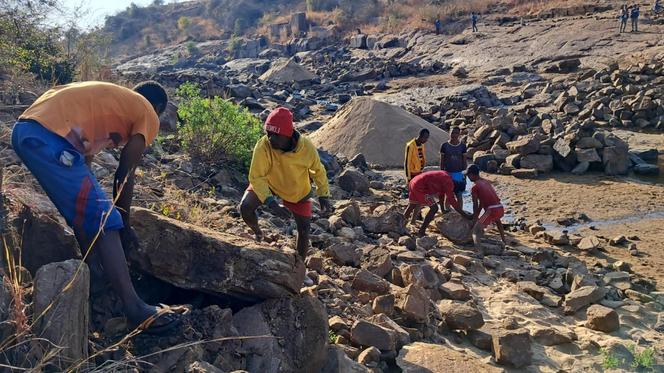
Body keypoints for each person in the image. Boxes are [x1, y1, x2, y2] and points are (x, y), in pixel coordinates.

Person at [11, 81, 179, 333]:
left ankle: (94, 275)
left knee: (83, 211)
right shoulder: (147, 111)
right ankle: (134, 309)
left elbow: (85, 167)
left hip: (27, 133)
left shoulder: (105, 101)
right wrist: (122, 222)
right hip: (49, 138)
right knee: (105, 219)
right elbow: (124, 173)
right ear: (157, 107)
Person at [240, 107, 333, 263]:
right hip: (270, 183)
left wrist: (323, 195)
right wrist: (271, 203)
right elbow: (256, 177)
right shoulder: (263, 146)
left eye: (275, 135)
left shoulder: (306, 148)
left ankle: (299, 266)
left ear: (288, 135)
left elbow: (318, 171)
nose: (270, 139)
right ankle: (258, 234)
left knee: (304, 230)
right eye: (268, 134)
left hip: (296, 189)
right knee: (245, 207)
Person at [403, 170, 470, 237]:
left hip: (414, 181)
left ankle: (401, 225)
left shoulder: (447, 177)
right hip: (421, 187)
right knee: (434, 208)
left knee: (412, 205)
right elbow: (452, 201)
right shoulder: (449, 184)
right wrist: (464, 215)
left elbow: (441, 195)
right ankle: (422, 231)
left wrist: (443, 209)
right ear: (456, 188)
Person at [465, 164, 506, 247]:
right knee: (497, 221)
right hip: (500, 208)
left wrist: (474, 219)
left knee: (475, 232)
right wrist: (477, 217)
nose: (468, 178)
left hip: (492, 210)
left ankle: (479, 252)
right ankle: (504, 240)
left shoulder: (475, 187)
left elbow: (475, 205)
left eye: (468, 175)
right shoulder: (485, 182)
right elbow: (481, 204)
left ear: (472, 175)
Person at [440, 126, 467, 208]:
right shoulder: (444, 146)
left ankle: (460, 212)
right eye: (452, 132)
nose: (454, 135)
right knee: (448, 194)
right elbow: (442, 161)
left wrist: (465, 174)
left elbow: (464, 161)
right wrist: (442, 173)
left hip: (458, 173)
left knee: (459, 195)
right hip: (448, 173)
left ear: (459, 134)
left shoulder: (462, 146)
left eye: (456, 133)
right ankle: (447, 211)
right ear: (449, 133)